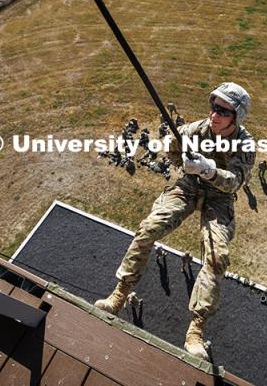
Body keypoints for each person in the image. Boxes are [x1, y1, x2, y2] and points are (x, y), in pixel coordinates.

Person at [95, 82, 255, 360]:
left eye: (223, 111)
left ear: (237, 117)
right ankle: (119, 294)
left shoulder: (245, 144)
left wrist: (207, 168)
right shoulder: (194, 130)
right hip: (188, 186)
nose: (214, 114)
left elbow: (233, 182)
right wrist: (183, 155)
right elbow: (171, 152)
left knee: (217, 257)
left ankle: (196, 330)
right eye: (214, 107)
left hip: (219, 197)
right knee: (148, 229)